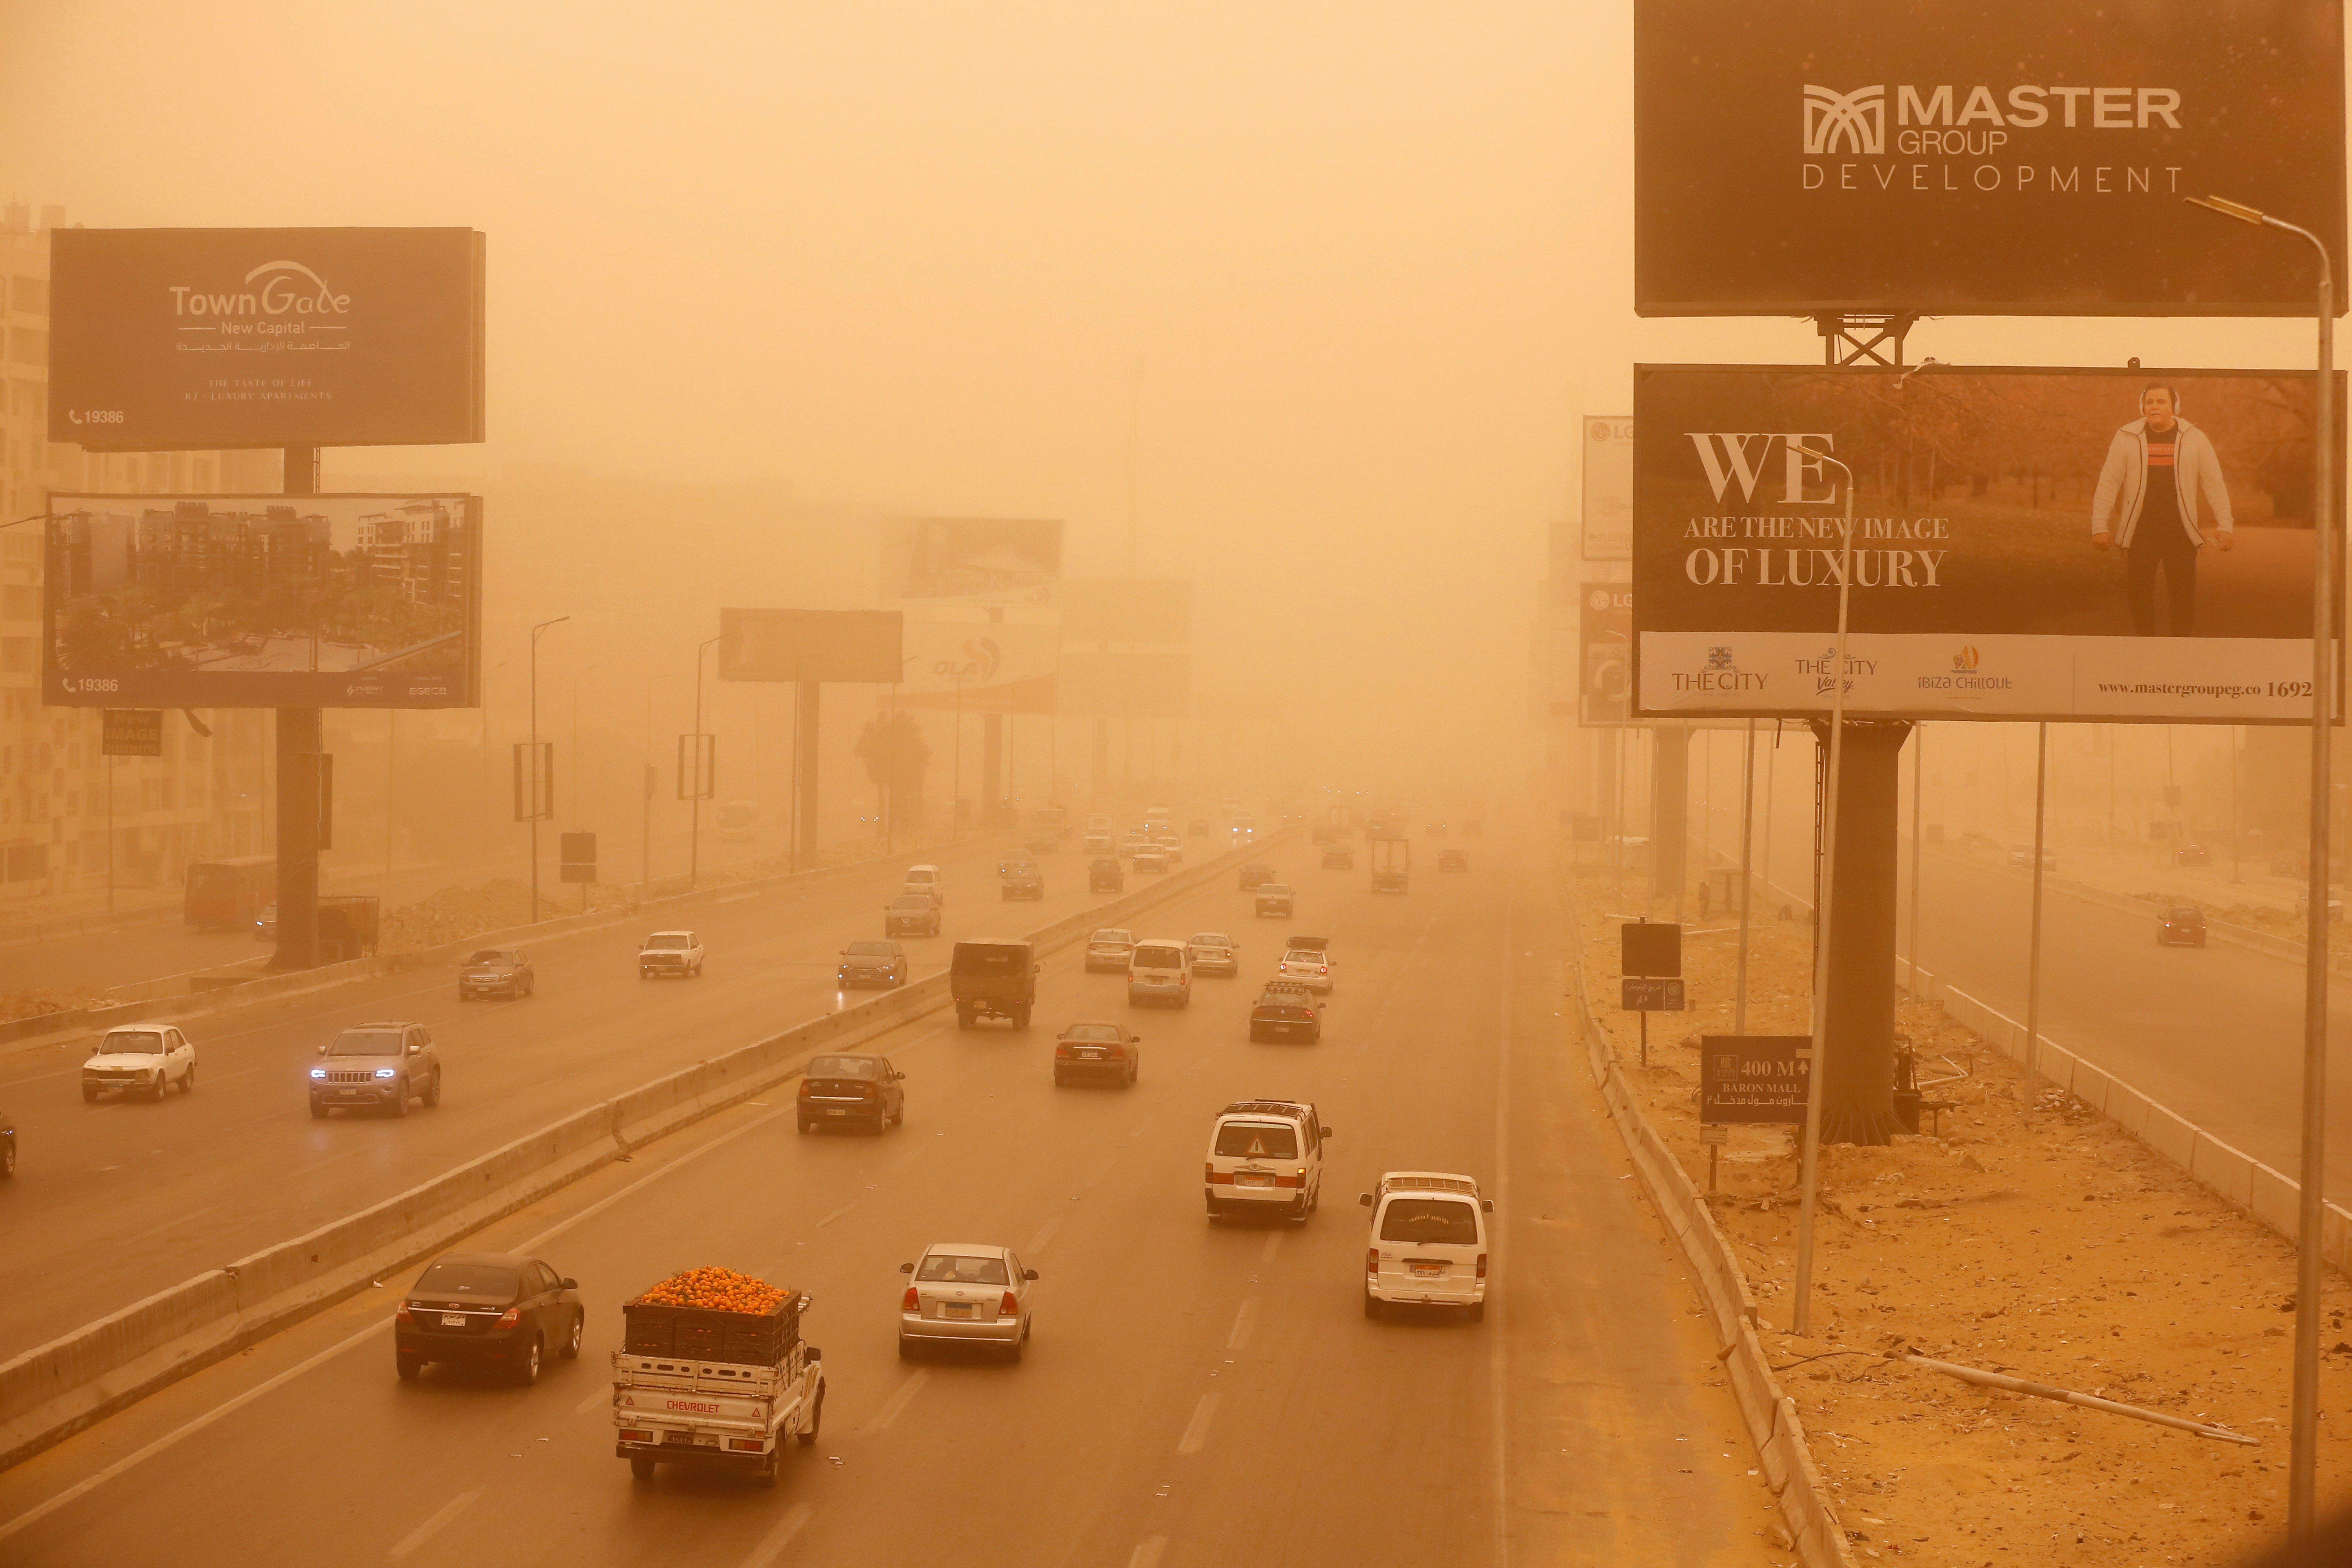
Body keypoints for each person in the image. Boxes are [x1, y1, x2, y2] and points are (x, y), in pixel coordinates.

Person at [2089, 384, 2234, 635]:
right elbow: (2109, 482)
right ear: (2143, 407)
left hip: (2181, 532)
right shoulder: (2127, 437)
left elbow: (2213, 482)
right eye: (2149, 402)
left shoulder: (2194, 438)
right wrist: (2099, 527)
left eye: (2161, 402)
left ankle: (2178, 651)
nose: (2154, 407)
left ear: (2174, 406)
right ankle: (2148, 645)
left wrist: (2226, 526)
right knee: (2138, 593)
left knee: (2183, 596)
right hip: (2140, 532)